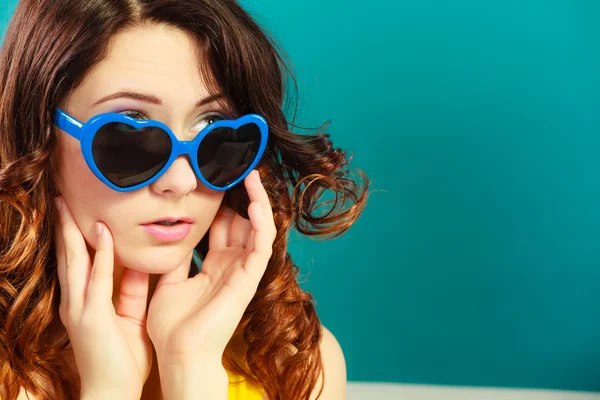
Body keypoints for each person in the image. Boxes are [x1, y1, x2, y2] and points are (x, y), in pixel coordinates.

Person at [0, 0, 369, 399]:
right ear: (39, 137)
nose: (181, 180)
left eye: (213, 128)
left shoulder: (294, 365)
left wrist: (190, 369)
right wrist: (110, 389)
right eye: (131, 131)